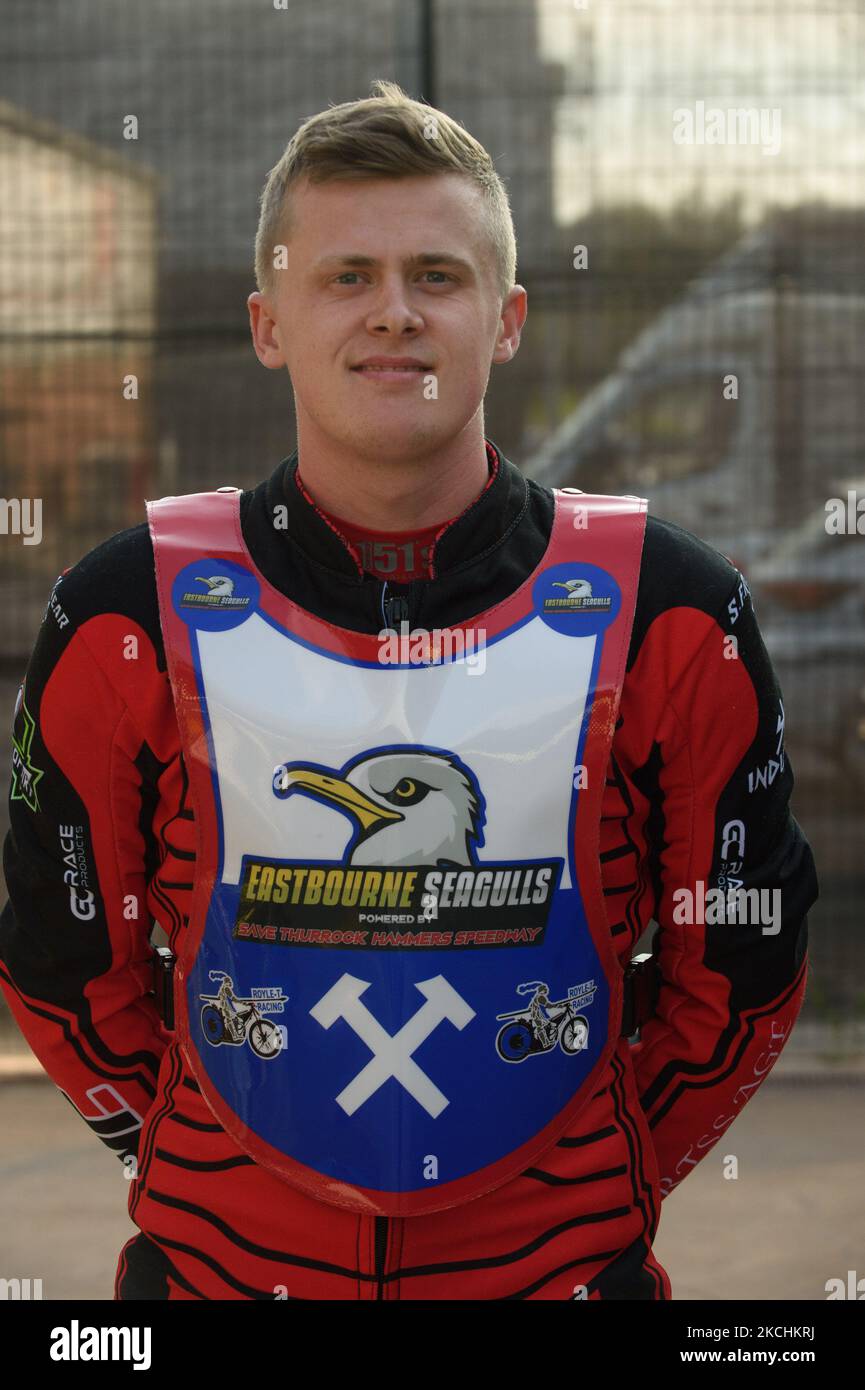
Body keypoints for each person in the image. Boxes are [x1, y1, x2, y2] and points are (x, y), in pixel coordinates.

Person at [0, 81, 818, 1301]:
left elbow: (738, 975)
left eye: (437, 275)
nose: (394, 314)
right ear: (268, 321)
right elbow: (60, 959)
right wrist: (190, 1153)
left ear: (507, 318)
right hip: (218, 1276)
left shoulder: (676, 610)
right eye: (348, 277)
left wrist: (607, 1172)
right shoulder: (123, 611)